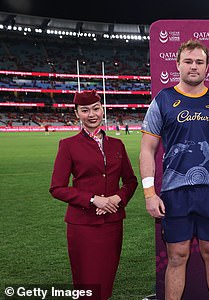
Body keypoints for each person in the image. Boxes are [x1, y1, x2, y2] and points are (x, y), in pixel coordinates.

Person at [139, 39, 209, 300]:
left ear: (208, 67)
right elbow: (146, 149)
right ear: (178, 65)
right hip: (175, 191)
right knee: (177, 256)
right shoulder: (163, 100)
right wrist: (150, 193)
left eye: (199, 62)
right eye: (188, 61)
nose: (193, 66)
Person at [49, 90, 138, 300]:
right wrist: (92, 199)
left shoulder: (117, 145)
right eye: (85, 110)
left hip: (113, 224)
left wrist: (117, 198)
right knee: (86, 286)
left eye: (96, 109)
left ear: (103, 110)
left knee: (106, 282)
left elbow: (131, 181)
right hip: (83, 225)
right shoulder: (68, 145)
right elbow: (57, 188)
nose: (92, 114)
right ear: (77, 114)